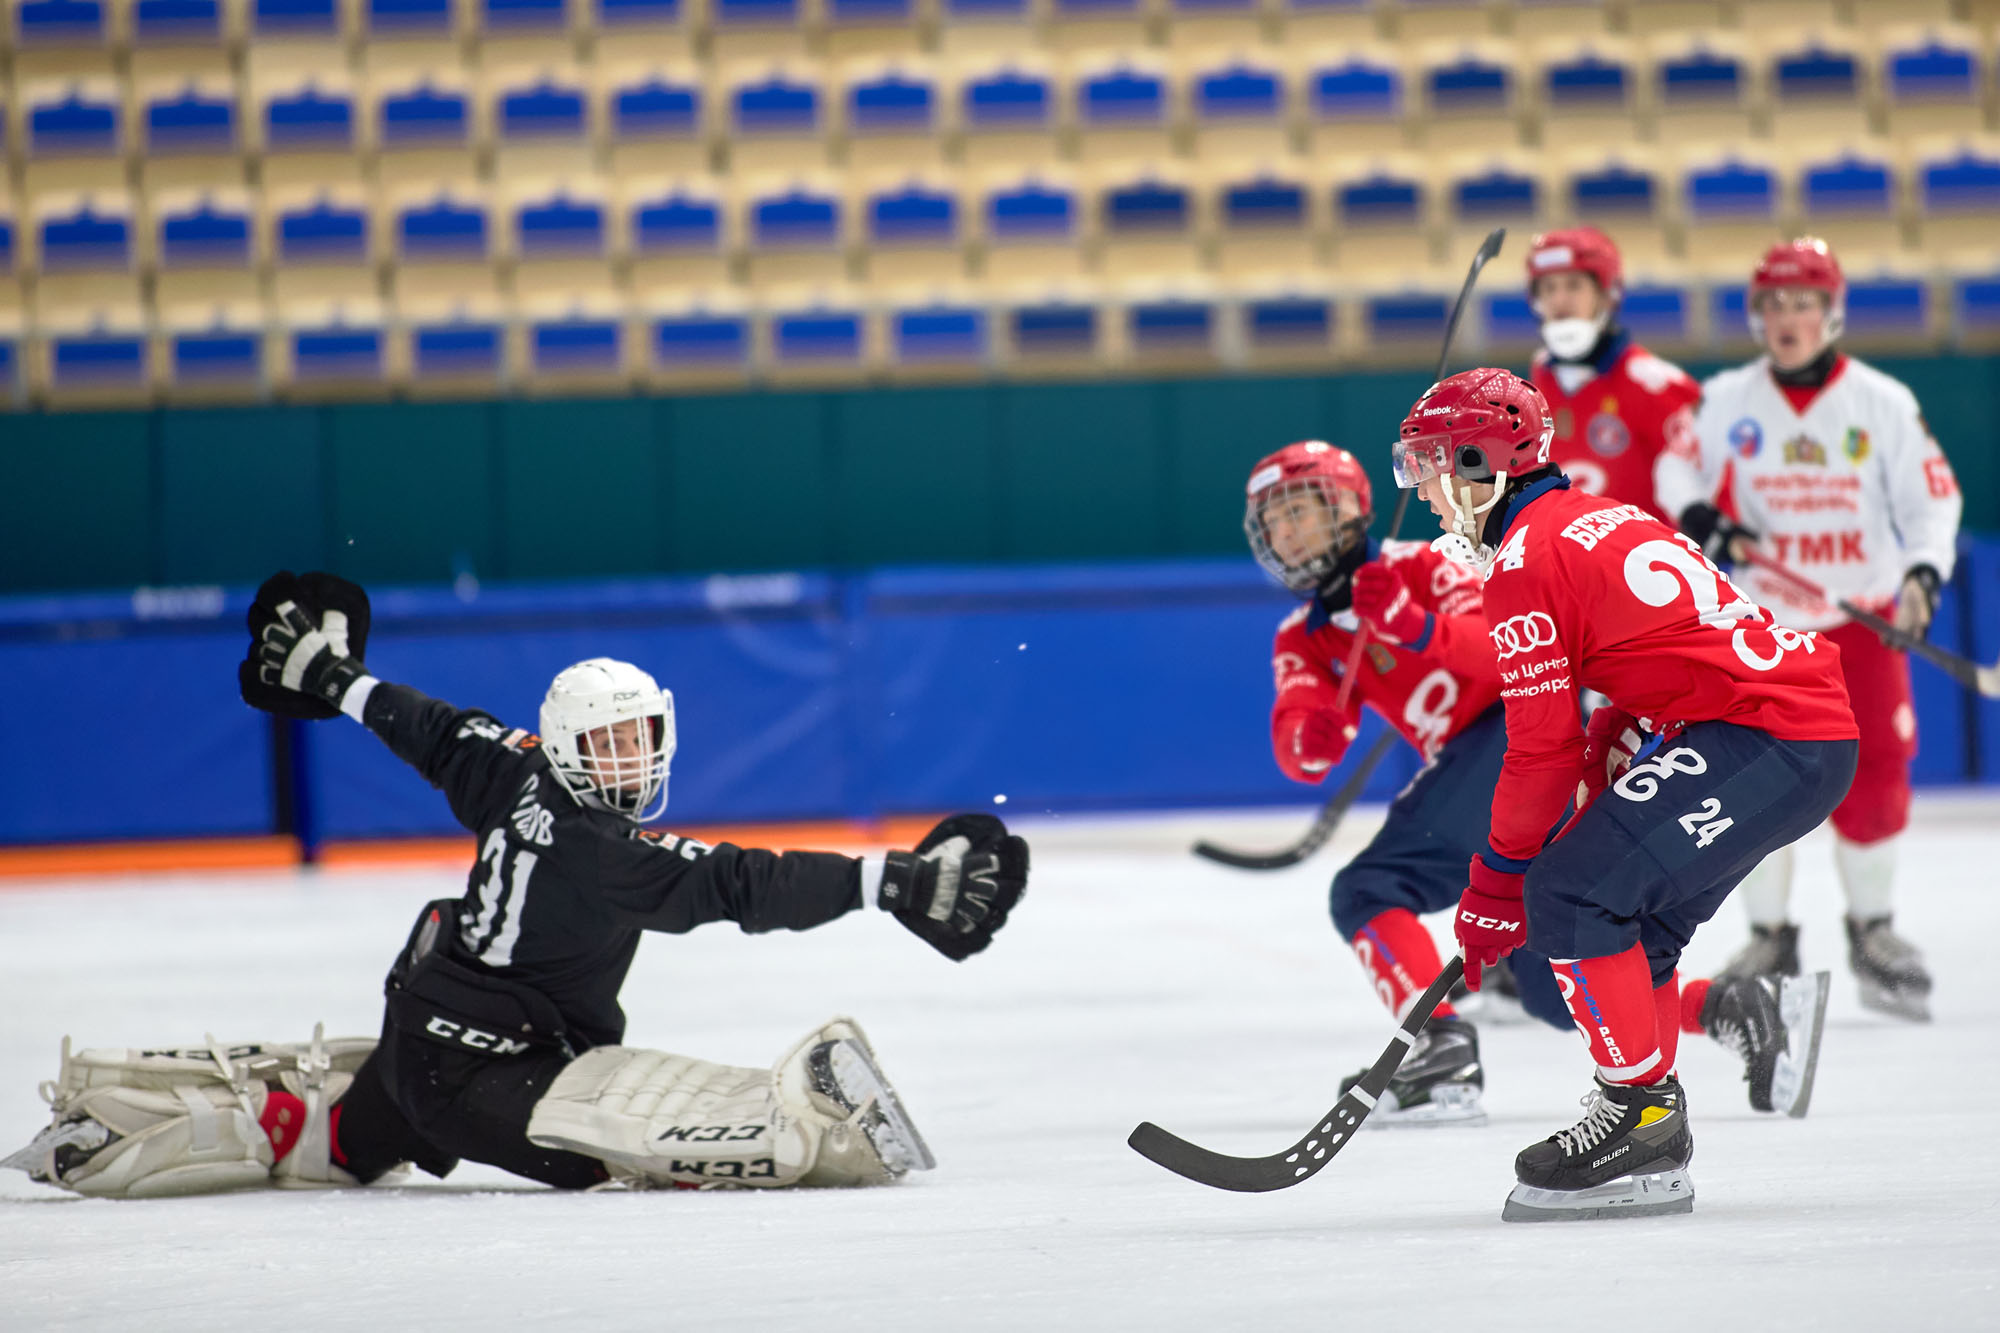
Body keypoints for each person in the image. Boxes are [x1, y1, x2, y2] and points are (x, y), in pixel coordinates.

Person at [4, 570, 1028, 1198]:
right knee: (601, 1156)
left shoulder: (520, 767)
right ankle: (793, 1132)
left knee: (347, 1143)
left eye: (642, 739)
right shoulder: (598, 851)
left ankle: (158, 1132)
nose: (631, 762)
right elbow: (738, 883)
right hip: (488, 1070)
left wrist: (329, 676)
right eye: (611, 743)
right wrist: (886, 882)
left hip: (424, 1032)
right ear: (574, 747)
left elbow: (433, 727)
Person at [1393, 368, 1859, 1220]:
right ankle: (1647, 1110)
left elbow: (1538, 752)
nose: (1422, 489)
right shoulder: (1601, 514)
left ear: (1479, 458)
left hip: (1768, 734)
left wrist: (1494, 886)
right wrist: (1626, 722)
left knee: (1565, 892)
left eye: (1430, 465)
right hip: (1782, 727)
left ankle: (1641, 1114)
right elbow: (1677, 639)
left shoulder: (1525, 563)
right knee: (1627, 932)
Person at [1656, 237, 1964, 1022]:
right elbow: (1675, 465)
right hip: (1761, 628)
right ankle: (1769, 933)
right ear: (1758, 316)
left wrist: (1924, 573)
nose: (1788, 318)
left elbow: (1932, 499)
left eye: (1803, 303)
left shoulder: (1883, 402)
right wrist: (1700, 514)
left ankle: (1872, 928)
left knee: (1877, 771)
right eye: (1774, 304)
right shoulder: (1725, 398)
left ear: (1832, 314)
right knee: (1754, 780)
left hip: (1858, 619)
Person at [1243, 440, 1572, 1127]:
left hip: (1526, 730)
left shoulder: (1434, 560)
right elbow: (1297, 744)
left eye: (1300, 511)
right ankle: (1728, 1009)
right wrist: (1311, 738)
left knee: (1369, 888)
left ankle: (1439, 1043)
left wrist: (1416, 627)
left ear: (1348, 508)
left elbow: (1507, 656)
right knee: (1556, 984)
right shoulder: (1303, 637)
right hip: (1488, 761)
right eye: (1274, 521)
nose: (1287, 532)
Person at [1525, 226, 1701, 520]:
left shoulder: (1656, 384)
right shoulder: (1540, 374)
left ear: (1607, 294)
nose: (1559, 300)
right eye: (1548, 288)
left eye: (1573, 285)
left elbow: (1704, 483)